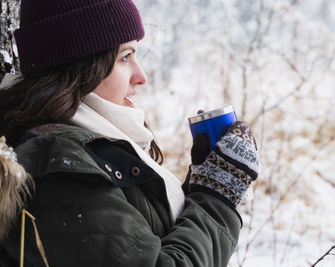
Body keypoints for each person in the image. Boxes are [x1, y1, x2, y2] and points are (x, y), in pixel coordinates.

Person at [0, 0, 259, 266]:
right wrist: (215, 199)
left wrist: (203, 186)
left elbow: (137, 240)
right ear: (81, 67)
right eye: (125, 57)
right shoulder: (58, 169)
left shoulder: (91, 147)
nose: (141, 76)